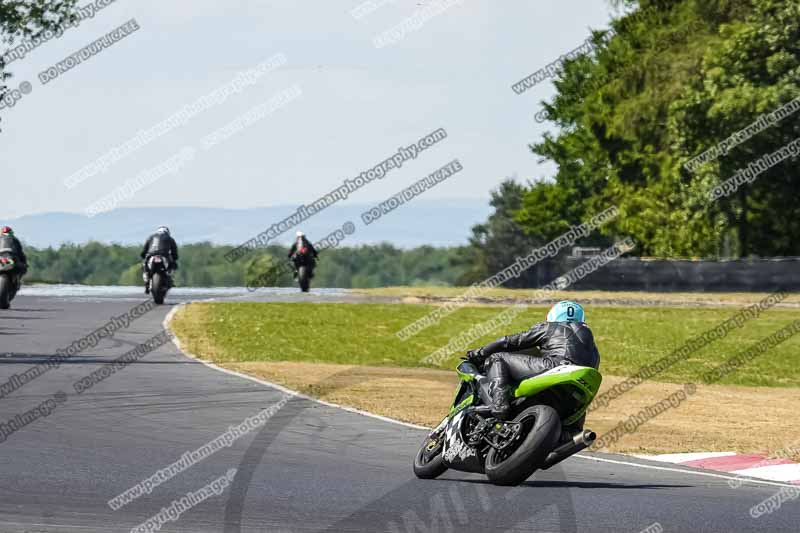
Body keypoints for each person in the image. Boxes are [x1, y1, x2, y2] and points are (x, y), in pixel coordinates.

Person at [466, 300, 600, 421]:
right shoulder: (594, 348)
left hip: (555, 366)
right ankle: (572, 431)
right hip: (578, 388)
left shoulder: (552, 327)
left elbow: (510, 341)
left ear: (554, 315)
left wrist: (478, 353)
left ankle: (499, 404)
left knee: (498, 358)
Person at [140, 226, 179, 294]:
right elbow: (174, 251)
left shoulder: (150, 237)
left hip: (151, 255)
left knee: (144, 267)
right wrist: (175, 258)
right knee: (173, 265)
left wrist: (143, 255)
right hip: (164, 255)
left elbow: (144, 249)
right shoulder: (170, 238)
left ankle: (146, 283)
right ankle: (171, 279)